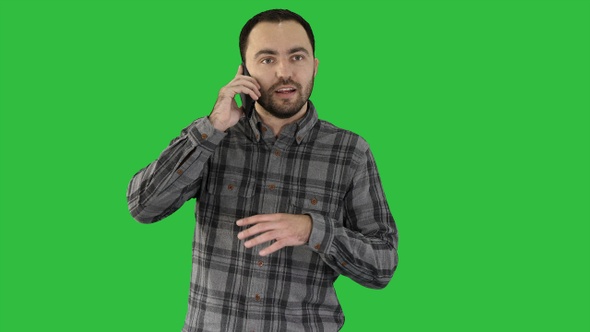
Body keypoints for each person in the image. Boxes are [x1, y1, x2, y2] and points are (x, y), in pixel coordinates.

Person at [127, 9, 398, 332]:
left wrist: (313, 231)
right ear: (244, 72)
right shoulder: (212, 137)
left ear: (314, 65)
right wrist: (212, 128)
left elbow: (382, 266)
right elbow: (142, 206)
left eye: (297, 57)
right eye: (267, 60)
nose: (285, 72)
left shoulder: (350, 151)